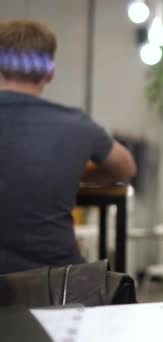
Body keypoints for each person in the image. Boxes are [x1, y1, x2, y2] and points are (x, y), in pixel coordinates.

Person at [0, 19, 136, 274]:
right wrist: (75, 171)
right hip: (56, 285)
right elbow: (125, 167)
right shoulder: (76, 124)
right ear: (50, 72)